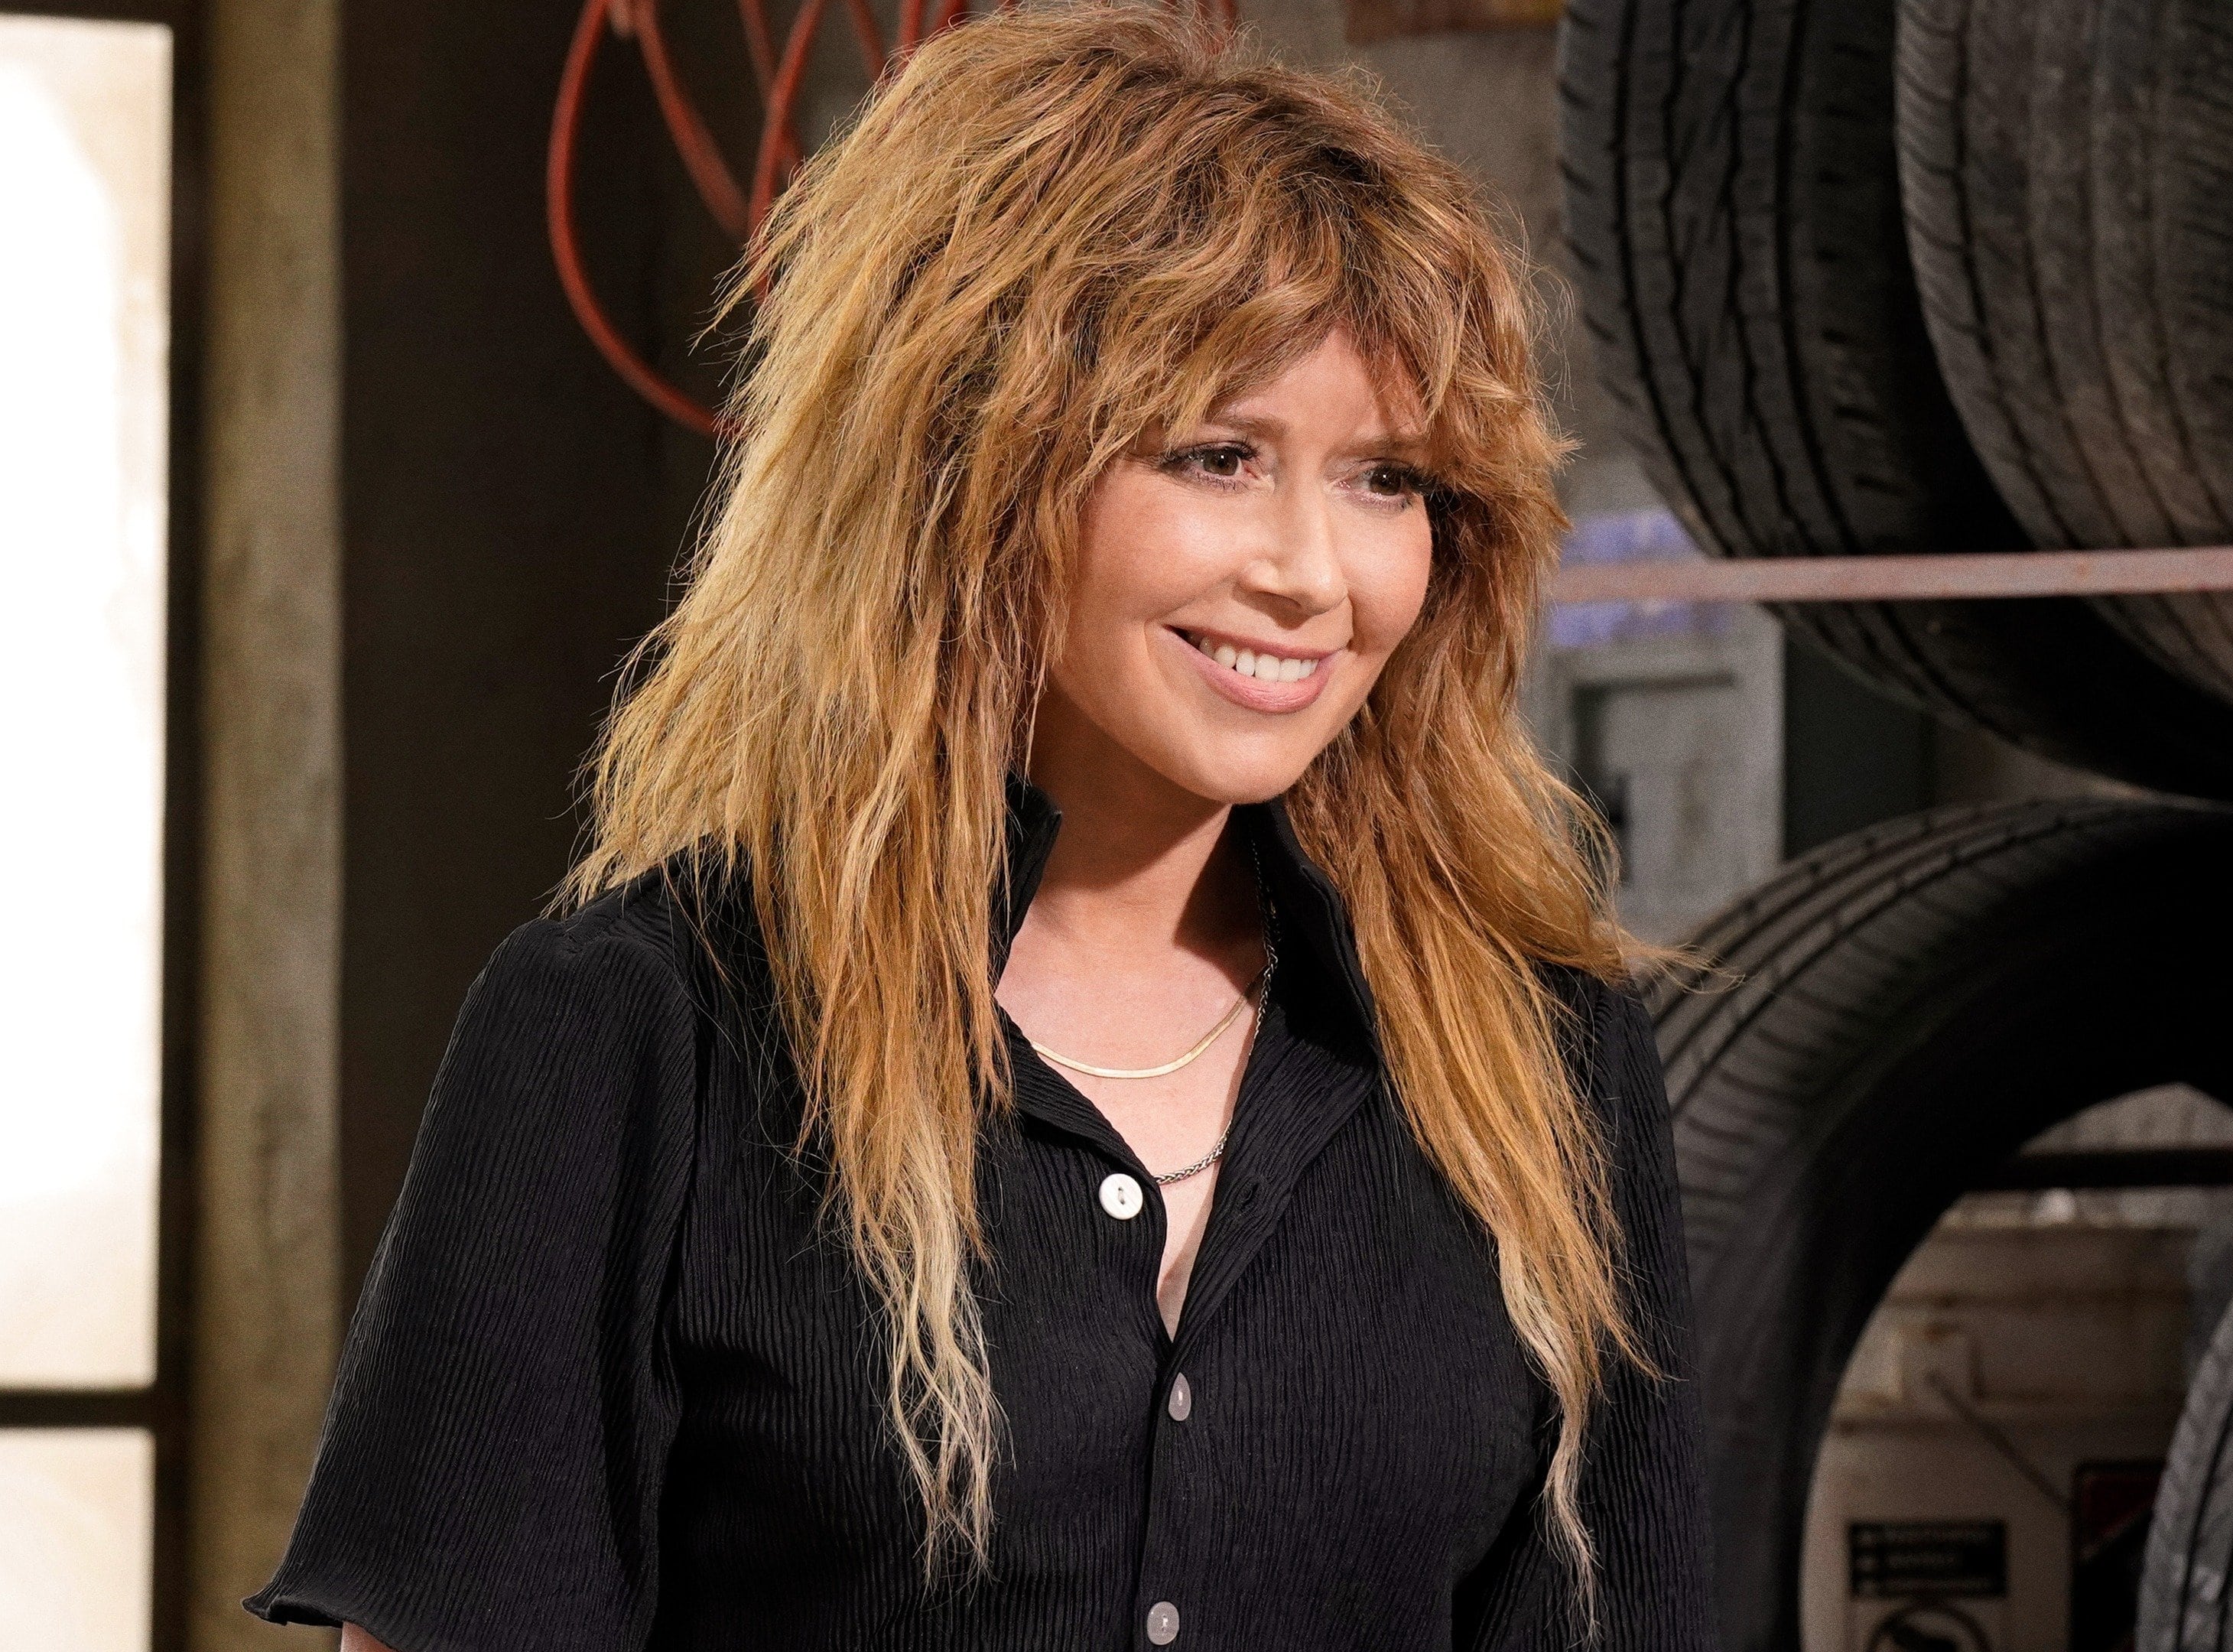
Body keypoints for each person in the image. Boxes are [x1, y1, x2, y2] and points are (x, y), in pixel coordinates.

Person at [245, 6, 1712, 1647]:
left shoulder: (1543, 1064)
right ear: (969, 470)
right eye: (1218, 456)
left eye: (1387, 480)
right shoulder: (637, 1034)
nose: (1314, 573)